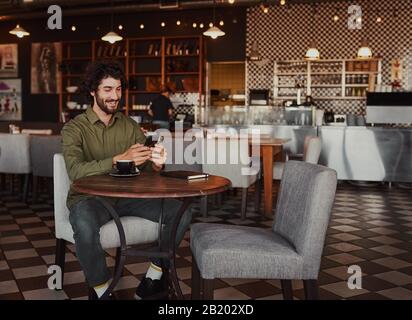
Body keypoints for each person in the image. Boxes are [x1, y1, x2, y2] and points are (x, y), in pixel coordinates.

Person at [61, 61, 192, 300]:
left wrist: (157, 163)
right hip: (90, 199)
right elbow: (76, 172)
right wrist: (117, 159)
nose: (115, 96)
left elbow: (145, 173)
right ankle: (103, 291)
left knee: (182, 213)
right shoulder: (74, 129)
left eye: (118, 89)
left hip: (128, 197)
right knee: (83, 224)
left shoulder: (130, 125)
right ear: (93, 91)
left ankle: (154, 276)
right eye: (108, 89)